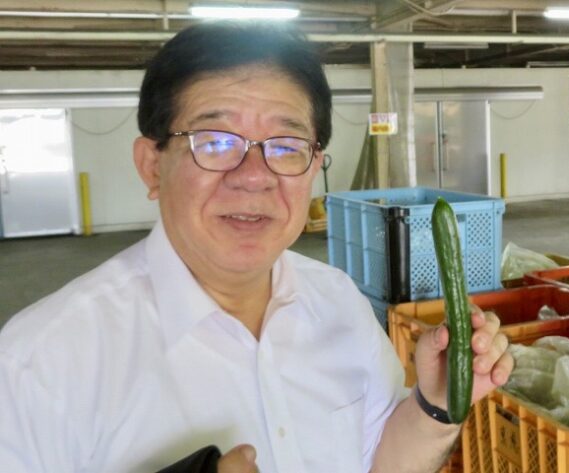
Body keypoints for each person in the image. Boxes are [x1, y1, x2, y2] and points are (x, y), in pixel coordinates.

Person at [0, 21, 512, 473]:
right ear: (152, 166)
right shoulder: (39, 364)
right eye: (215, 142)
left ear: (314, 168)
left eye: (286, 147)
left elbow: (380, 461)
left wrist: (435, 406)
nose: (253, 176)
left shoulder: (339, 301)